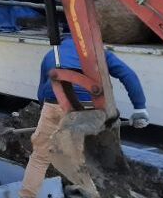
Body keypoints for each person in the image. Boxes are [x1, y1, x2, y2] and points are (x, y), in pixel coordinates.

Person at [19, 34, 149, 198]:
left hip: (55, 103)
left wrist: (47, 115)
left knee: (40, 157)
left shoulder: (53, 54)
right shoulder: (98, 52)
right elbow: (128, 74)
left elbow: (41, 91)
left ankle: (27, 195)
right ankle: (93, 190)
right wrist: (140, 108)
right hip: (92, 109)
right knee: (90, 157)